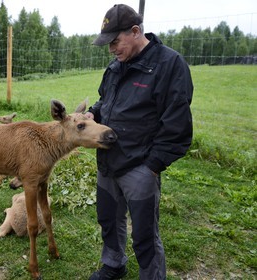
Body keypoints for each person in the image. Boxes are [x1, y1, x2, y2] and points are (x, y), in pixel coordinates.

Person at [85, 4, 193, 280]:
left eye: (115, 41)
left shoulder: (169, 64)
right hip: (108, 160)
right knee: (109, 219)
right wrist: (92, 114)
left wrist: (152, 166)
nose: (111, 49)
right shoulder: (115, 66)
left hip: (141, 167)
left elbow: (177, 124)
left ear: (135, 32)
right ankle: (113, 264)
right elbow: (105, 102)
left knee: (145, 233)